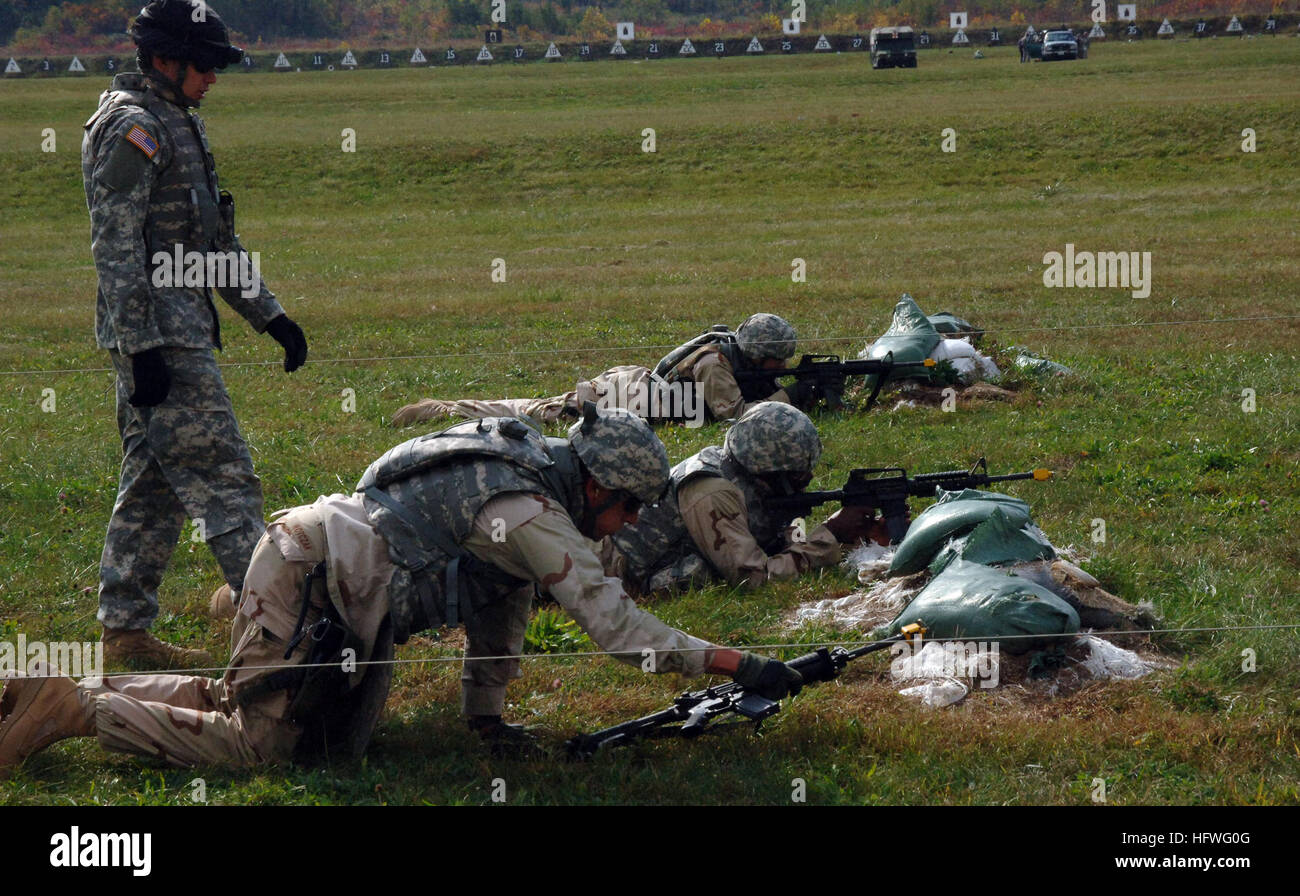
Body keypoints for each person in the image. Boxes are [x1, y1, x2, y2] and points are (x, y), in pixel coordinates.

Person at [0, 407, 803, 773]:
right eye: (626, 508)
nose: (624, 525)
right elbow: (618, 631)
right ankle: (77, 711)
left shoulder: (518, 464)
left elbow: (503, 601)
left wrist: (485, 721)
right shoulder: (529, 509)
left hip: (327, 580)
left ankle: (48, 689)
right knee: (267, 749)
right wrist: (739, 665)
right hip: (315, 582)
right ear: (596, 486)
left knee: (309, 734)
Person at [82, 0, 309, 667]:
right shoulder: (133, 129)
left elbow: (210, 244)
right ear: (163, 60)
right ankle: (280, 628)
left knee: (152, 485)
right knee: (225, 477)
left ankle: (125, 634)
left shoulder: (175, 121)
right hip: (163, 337)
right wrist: (141, 343)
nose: (212, 78)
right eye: (203, 65)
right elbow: (115, 242)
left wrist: (270, 316)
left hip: (176, 328)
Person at [605, 402, 885, 594]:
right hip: (614, 573)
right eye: (798, 475)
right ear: (769, 470)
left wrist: (850, 537)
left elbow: (785, 540)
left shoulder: (742, 471)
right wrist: (831, 535)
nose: (807, 481)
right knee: (699, 574)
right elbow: (753, 579)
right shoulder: (713, 492)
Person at [390, 313, 804, 428]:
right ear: (757, 353)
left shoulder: (734, 355)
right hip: (624, 398)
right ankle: (441, 411)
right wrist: (790, 397)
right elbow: (732, 415)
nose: (781, 367)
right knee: (540, 412)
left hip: (636, 388)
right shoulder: (715, 364)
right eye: (777, 361)